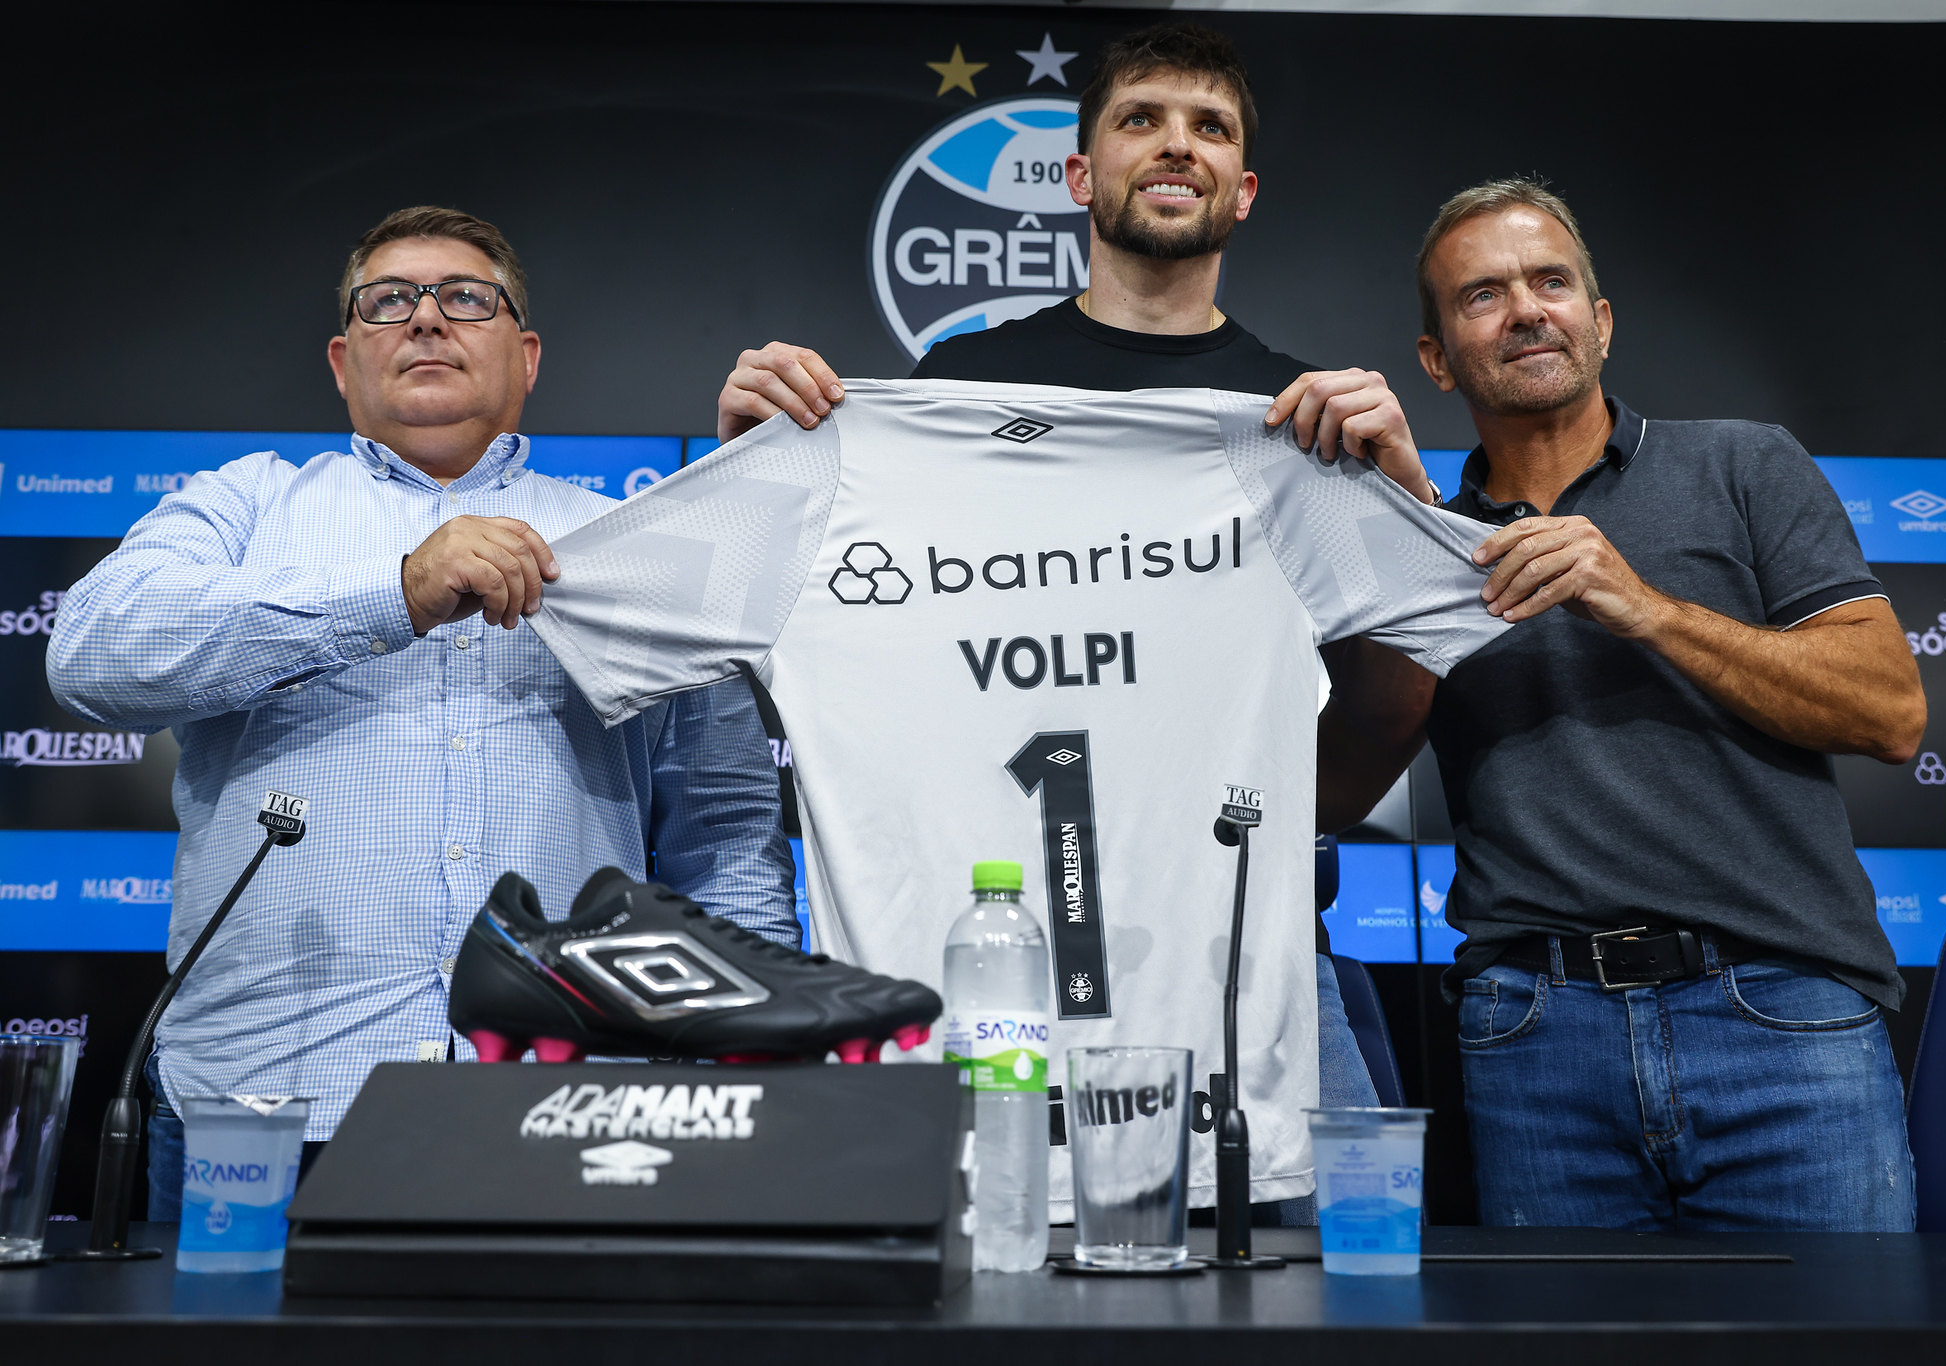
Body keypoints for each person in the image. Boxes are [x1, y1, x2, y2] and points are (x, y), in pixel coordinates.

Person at [715, 22, 1436, 1219]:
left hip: (1241, 987)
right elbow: (805, 660)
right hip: (979, 973)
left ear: (1241, 191)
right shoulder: (943, 398)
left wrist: (1400, 501)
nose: (1175, 145)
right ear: (1077, 173)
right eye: (1139, 119)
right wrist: (750, 483)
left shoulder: (1301, 424)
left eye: (1209, 128)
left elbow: (1391, 711)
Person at [47, 206, 795, 1218]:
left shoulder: (636, 540)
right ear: (341, 359)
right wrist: (391, 592)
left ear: (524, 356)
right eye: (388, 301)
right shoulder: (245, 507)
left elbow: (722, 833)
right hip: (266, 1100)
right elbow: (93, 654)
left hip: (565, 1098)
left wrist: (754, 1069)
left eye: (467, 299)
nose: (427, 319)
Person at [1320, 179, 1925, 1230]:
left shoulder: (1742, 463)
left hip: (1780, 1013)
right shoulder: (1424, 537)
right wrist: (1409, 537)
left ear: (1596, 320)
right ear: (1434, 357)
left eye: (1549, 282)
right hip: (1533, 1040)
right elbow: (1339, 784)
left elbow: (1888, 713)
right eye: (1481, 295)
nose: (1523, 309)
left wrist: (1644, 607)